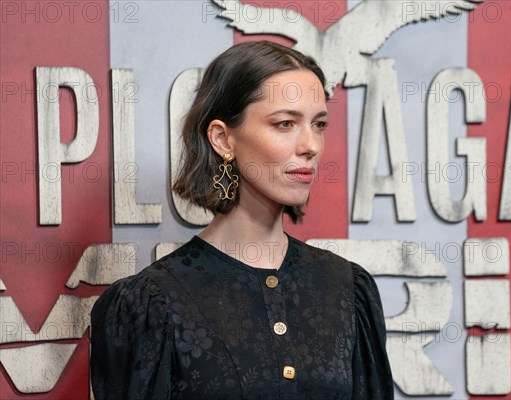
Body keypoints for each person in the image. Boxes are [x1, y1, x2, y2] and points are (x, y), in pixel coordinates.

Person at [90, 40, 394, 400]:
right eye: (284, 123)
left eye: (319, 124)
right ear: (222, 138)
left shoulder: (347, 289)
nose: (310, 145)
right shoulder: (151, 304)